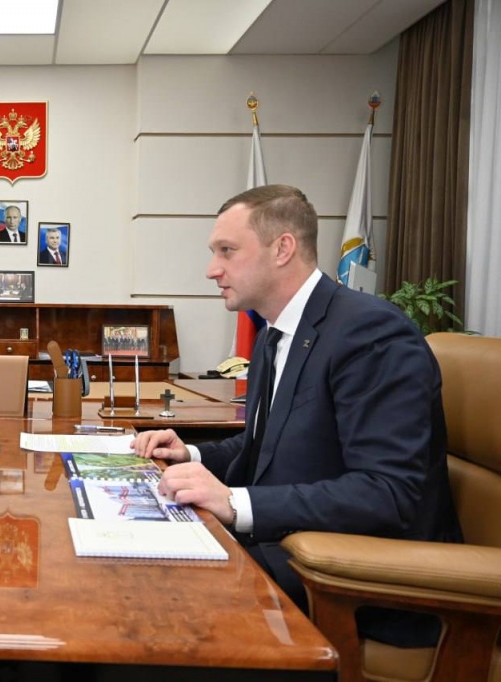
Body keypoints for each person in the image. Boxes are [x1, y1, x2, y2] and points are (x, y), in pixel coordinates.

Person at [132, 184, 461, 649]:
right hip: (284, 548)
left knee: (150, 602)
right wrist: (191, 454)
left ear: (282, 248)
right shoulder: (275, 335)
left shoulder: (371, 333)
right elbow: (267, 446)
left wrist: (235, 503)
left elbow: (386, 493)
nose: (212, 270)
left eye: (227, 251)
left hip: (351, 585)